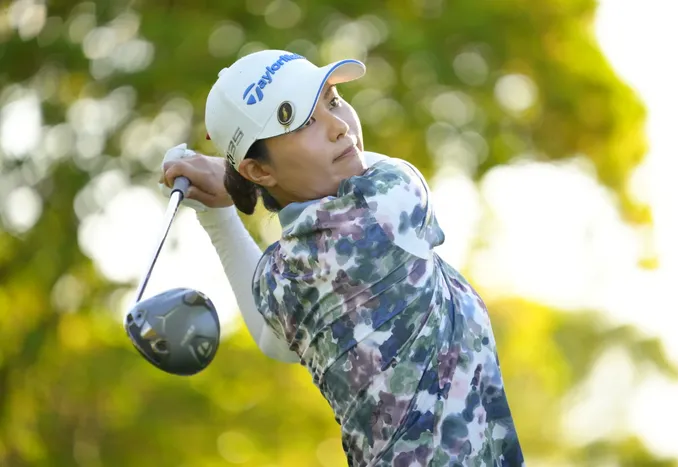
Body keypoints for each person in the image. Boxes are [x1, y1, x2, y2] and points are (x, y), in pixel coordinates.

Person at [160, 49, 524, 466]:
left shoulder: (281, 274)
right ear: (258, 171)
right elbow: (378, 172)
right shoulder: (386, 203)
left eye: (333, 101)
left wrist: (218, 212)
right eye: (304, 122)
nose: (339, 127)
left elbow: (272, 339)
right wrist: (230, 184)